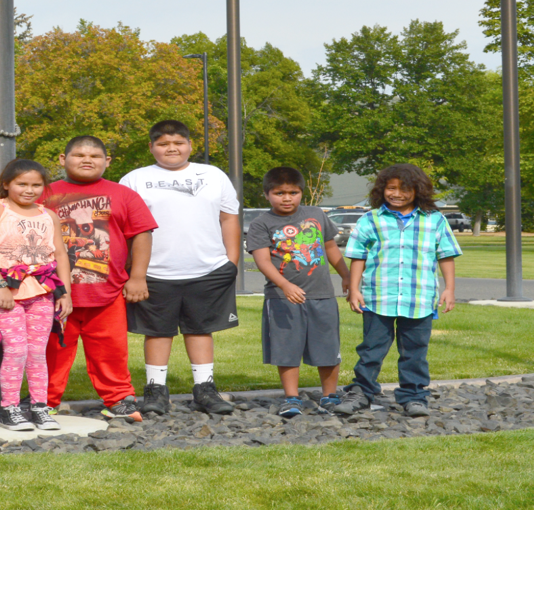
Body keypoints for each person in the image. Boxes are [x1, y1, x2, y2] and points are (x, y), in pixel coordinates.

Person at [119, 120, 240, 416]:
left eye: (178, 143)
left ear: (190, 145)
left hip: (208, 269)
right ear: (151, 147)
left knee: (200, 329)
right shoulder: (134, 179)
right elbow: (124, 228)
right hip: (155, 272)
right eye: (162, 144)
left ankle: (205, 389)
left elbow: (229, 218)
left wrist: (232, 261)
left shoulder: (213, 175)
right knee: (158, 331)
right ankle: (155, 390)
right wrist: (132, 272)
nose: (171, 148)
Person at [39, 135, 159, 422]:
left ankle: (119, 399)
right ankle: (43, 400)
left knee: (111, 352)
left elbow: (141, 234)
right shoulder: (44, 194)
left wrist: (138, 277)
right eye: (78, 154)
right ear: (61, 159)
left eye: (94, 156)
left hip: (107, 293)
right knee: (52, 350)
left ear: (108, 161)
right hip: (55, 293)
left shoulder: (124, 194)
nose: (86, 160)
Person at [341, 163, 463, 418]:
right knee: (371, 350)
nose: (396, 194)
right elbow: (357, 257)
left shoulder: (434, 220)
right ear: (382, 189)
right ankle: (361, 392)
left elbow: (446, 255)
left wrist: (449, 289)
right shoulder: (370, 219)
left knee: (415, 353)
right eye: (391, 188)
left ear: (418, 190)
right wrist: (354, 289)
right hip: (377, 298)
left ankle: (414, 396)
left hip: (419, 299)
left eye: (404, 189)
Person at [245, 167, 352, 419]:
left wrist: (345, 275)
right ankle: (291, 397)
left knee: (327, 347)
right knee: (287, 348)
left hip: (322, 294)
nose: (286, 198)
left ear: (301, 193)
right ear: (266, 195)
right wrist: (285, 285)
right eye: (279, 193)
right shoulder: (262, 224)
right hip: (282, 297)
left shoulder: (315, 215)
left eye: (293, 192)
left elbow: (330, 247)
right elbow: (263, 261)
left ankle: (329, 395)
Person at [0, 159, 71, 432]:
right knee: (15, 351)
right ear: (6, 184)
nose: (29, 190)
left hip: (42, 291)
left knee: (38, 352)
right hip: (7, 291)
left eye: (36, 185)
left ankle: (40, 407)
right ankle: (10, 408)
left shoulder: (47, 215)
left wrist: (66, 293)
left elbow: (60, 254)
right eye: (22, 184)